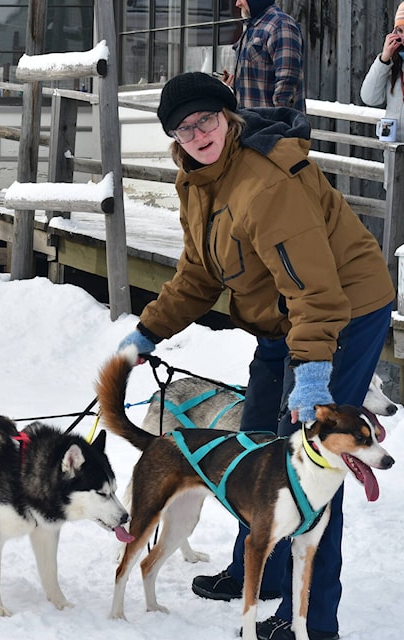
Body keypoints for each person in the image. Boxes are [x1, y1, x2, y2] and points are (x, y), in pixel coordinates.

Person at [117, 72, 394, 640]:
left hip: (339, 310)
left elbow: (316, 290)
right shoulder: (197, 180)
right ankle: (264, 573)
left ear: (228, 116)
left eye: (208, 119)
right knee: (256, 440)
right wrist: (148, 331)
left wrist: (314, 375)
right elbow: (199, 272)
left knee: (310, 463)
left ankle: (314, 625)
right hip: (280, 313)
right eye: (184, 127)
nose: (199, 133)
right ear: (172, 137)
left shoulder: (266, 183)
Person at [227, 0, 305, 112]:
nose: (237, 4)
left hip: (272, 125)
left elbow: (288, 79)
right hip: (249, 122)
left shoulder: (281, 25)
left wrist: (279, 121)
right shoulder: (252, 26)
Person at [361, 2, 404, 187]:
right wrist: (384, 59)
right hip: (396, 160)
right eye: (399, 31)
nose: (402, 37)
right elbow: (370, 97)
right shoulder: (394, 64)